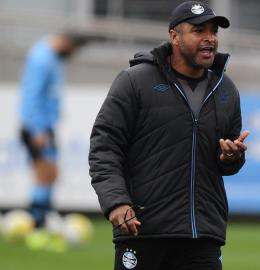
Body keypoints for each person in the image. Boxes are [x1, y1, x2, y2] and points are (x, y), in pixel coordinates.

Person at [89, 1, 249, 269]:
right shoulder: (134, 81)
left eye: (213, 31)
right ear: (174, 36)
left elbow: (226, 165)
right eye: (199, 31)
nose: (210, 38)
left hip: (203, 236)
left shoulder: (226, 90)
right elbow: (105, 146)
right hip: (143, 231)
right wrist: (116, 202)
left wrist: (230, 158)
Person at [19, 32, 86, 229]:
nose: (72, 55)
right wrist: (37, 129)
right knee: (44, 173)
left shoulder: (52, 58)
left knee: (52, 173)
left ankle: (42, 217)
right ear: (66, 43)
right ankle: (36, 221)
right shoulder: (42, 59)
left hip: (46, 126)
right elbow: (32, 94)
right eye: (73, 50)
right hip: (37, 128)